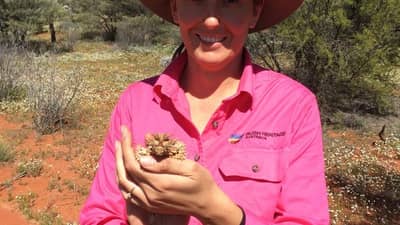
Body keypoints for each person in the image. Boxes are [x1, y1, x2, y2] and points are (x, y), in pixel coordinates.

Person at [79, 0, 330, 224]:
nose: (211, 19)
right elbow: (99, 214)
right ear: (176, 8)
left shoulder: (294, 106)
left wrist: (219, 214)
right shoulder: (135, 102)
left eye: (230, 1)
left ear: (255, 11)